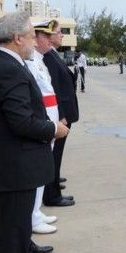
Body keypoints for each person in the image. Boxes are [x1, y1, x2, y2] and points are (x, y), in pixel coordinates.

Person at [0, 12, 69, 253]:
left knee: (9, 230)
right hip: (16, 166)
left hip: (6, 163)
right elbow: (21, 122)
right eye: (31, 36)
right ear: (18, 38)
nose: (34, 41)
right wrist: (54, 128)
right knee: (13, 234)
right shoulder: (9, 70)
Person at [27, 21, 61, 235]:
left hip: (50, 119)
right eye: (45, 36)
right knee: (37, 170)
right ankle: (32, 216)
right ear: (37, 38)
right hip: (44, 121)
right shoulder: (30, 62)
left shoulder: (39, 61)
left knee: (42, 167)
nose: (50, 40)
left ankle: (36, 213)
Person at [42, 20, 79, 207]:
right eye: (58, 32)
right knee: (54, 155)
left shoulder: (53, 54)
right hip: (60, 114)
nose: (61, 35)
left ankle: (54, 181)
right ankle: (52, 194)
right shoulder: (48, 56)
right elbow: (54, 88)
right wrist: (61, 115)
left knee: (57, 154)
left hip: (63, 112)